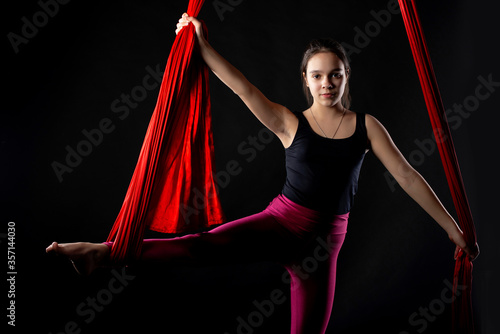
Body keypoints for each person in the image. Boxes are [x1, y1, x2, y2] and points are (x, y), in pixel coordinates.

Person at [46, 13, 479, 334]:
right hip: (280, 223)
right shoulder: (290, 122)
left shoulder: (367, 126)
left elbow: (406, 176)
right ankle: (100, 252)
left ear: (346, 78)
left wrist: (453, 229)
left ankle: (100, 254)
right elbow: (243, 88)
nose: (326, 83)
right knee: (195, 247)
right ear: (306, 81)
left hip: (324, 249)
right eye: (317, 76)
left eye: (335, 75)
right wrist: (199, 44)